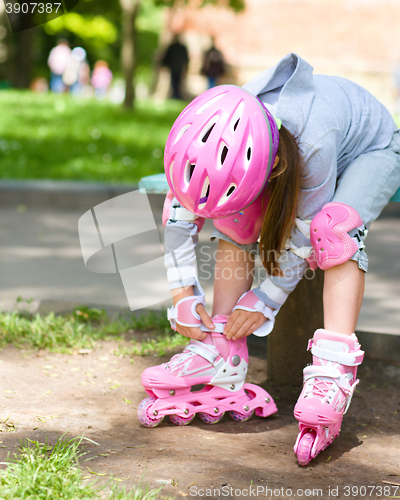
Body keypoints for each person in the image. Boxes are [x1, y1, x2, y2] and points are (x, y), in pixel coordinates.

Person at [143, 53, 400, 464]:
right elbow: (179, 217)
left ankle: (335, 370)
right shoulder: (210, 134)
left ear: (272, 165)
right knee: (235, 217)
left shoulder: (312, 141)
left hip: (371, 148)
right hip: (292, 149)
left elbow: (303, 237)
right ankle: (223, 349)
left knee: (333, 231)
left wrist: (266, 298)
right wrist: (182, 294)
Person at [161, 34, 189, 100]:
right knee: (176, 81)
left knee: (176, 81)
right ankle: (175, 94)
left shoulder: (174, 47)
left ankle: (176, 94)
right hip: (177, 67)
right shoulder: (178, 47)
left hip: (176, 67)